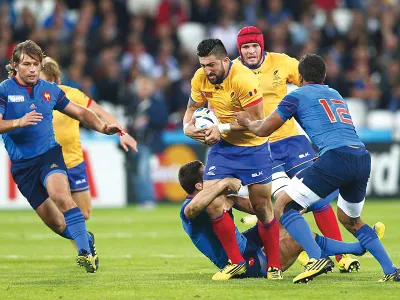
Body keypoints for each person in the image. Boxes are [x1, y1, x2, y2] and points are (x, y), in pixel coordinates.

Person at [235, 54, 400, 283]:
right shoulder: (335, 93)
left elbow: (263, 130)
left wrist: (245, 121)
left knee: (283, 205)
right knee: (350, 220)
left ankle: (316, 257)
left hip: (335, 157)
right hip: (361, 156)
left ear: (299, 77)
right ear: (323, 76)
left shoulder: (296, 96)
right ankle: (391, 269)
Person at [235, 25, 359, 272]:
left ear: (262, 46)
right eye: (246, 47)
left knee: (318, 196)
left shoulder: (282, 62)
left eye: (254, 46)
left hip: (292, 140)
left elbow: (310, 80)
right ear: (240, 50)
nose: (250, 51)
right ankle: (304, 250)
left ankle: (341, 257)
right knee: (284, 201)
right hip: (260, 145)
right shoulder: (233, 72)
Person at [0, 40, 123, 273]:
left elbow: (80, 112)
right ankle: (86, 238)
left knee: (61, 196)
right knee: (56, 224)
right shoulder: (4, 90)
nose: (33, 69)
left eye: (36, 64)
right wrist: (19, 122)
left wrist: (103, 128)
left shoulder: (50, 90)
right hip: (22, 166)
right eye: (27, 64)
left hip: (49, 155)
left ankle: (84, 252)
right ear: (15, 65)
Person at [178, 160, 384, 279]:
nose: (214, 174)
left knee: (285, 220)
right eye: (208, 176)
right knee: (295, 240)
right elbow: (194, 208)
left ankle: (357, 248)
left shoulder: (219, 198)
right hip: (244, 263)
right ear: (198, 186)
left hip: (246, 243)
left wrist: (290, 209)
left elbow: (258, 209)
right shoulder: (188, 209)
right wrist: (223, 184)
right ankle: (355, 248)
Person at [183, 38, 281, 280]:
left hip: (254, 148)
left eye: (212, 65)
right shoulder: (200, 78)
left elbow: (258, 122)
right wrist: (186, 127)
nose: (208, 71)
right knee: (213, 201)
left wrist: (222, 128)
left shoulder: (244, 79)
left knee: (261, 207)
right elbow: (192, 108)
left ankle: (275, 267)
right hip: (223, 149)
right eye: (204, 65)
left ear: (226, 60)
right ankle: (235, 262)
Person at [40, 57, 137, 222]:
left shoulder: (71, 95)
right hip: (48, 163)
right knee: (63, 214)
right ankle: (83, 247)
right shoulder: (31, 98)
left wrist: (122, 133)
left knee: (84, 213)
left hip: (73, 161)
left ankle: (81, 241)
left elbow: (100, 112)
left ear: (51, 78)